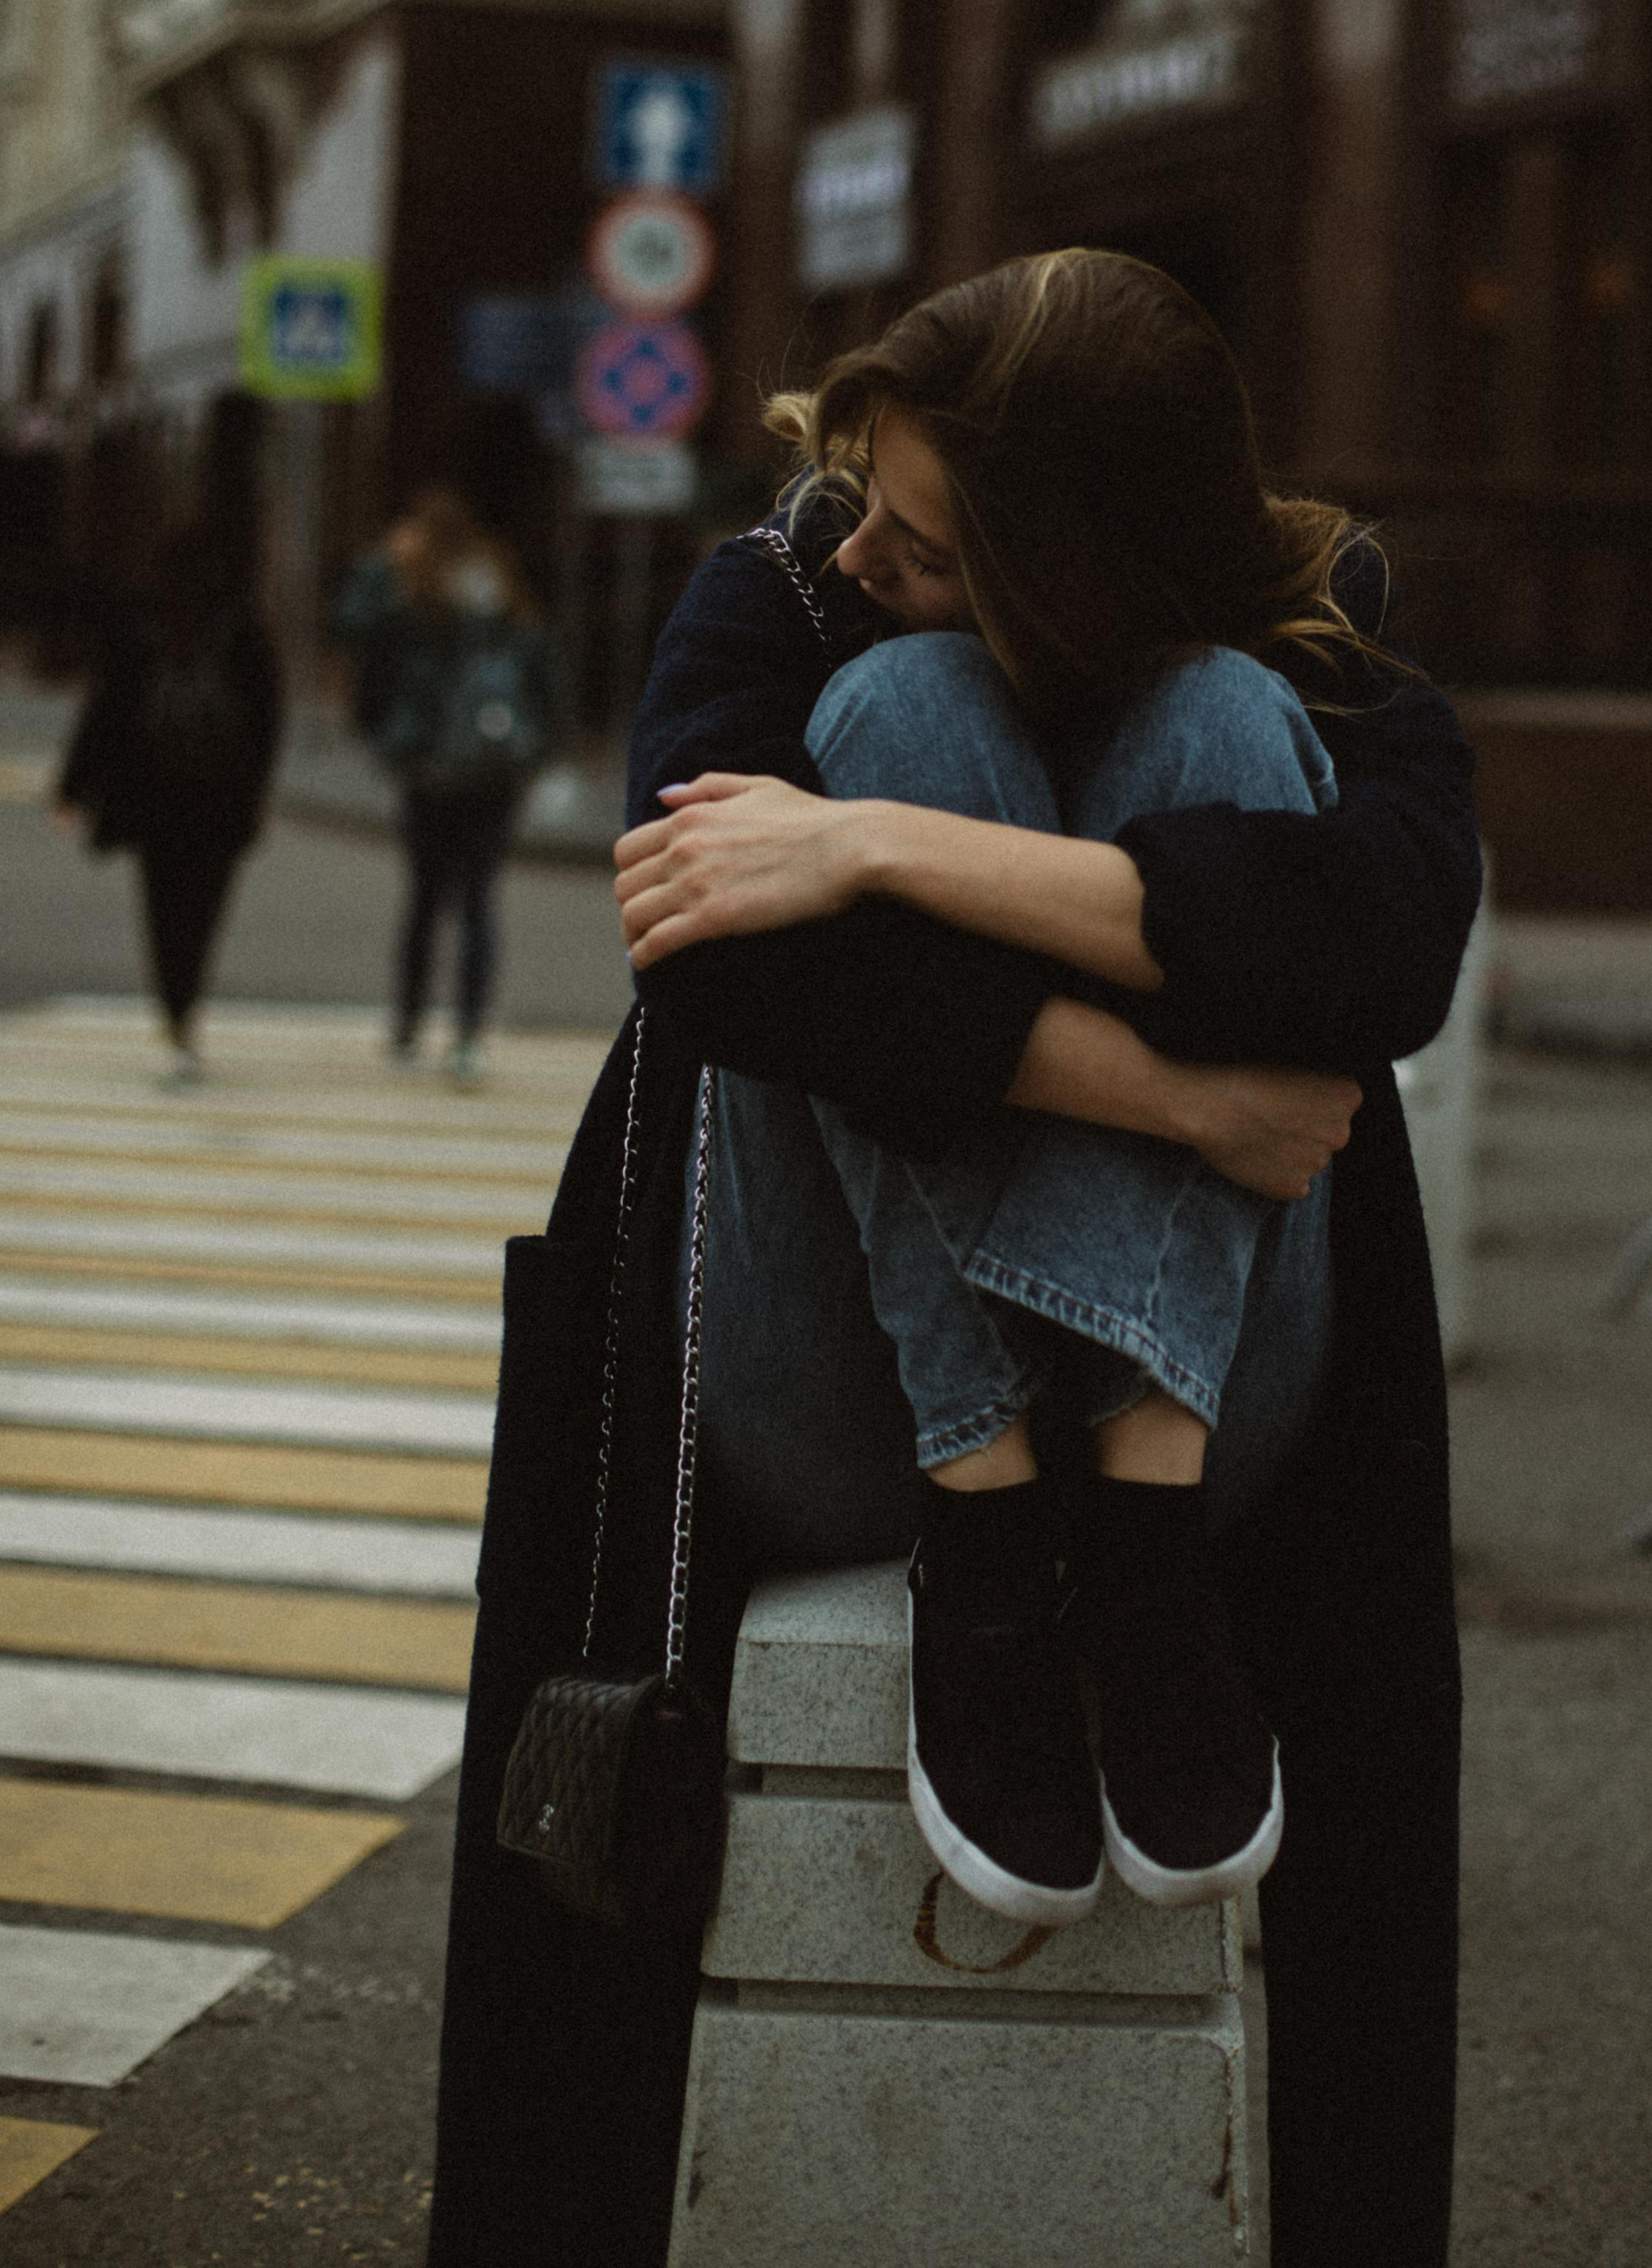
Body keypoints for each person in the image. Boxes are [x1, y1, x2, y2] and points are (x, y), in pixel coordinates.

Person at [430, 252, 1480, 2267]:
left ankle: (1139, 1546)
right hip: (847, 1410)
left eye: (927, 538)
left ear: (1073, 572)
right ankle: (993, 1524)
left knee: (1219, 718)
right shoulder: (797, 589)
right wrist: (1180, 1099)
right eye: (869, 500)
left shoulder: (1294, 637)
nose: (857, 541)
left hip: (1209, 1407)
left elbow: (1379, 950)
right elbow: (713, 941)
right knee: (892, 704)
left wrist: (880, 851)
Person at [333, 488, 558, 1087]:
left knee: (427, 898)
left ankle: (409, 1020)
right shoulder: (500, 582)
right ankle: (467, 1034)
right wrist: (542, 750)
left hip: (431, 767)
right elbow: (540, 666)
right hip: (497, 767)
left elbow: (353, 626)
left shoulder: (415, 588)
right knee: (479, 900)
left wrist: (384, 562)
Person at [55, 524, 280, 1087]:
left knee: (160, 907)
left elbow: (104, 713)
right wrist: (257, 786)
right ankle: (188, 1006)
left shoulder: (140, 625)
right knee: (203, 911)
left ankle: (175, 1011)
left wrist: (72, 788)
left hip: (151, 794)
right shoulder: (242, 629)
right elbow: (267, 720)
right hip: (222, 798)